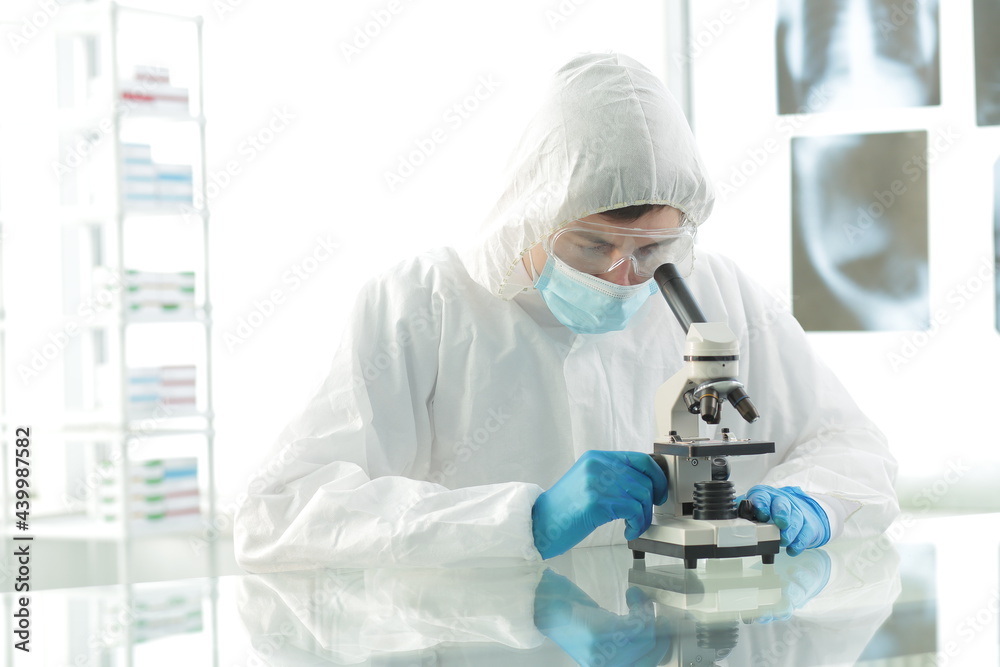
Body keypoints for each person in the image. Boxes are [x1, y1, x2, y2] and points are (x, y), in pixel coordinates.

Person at [234, 52, 899, 571]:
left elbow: (852, 445)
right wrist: (522, 520)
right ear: (534, 215)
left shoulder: (719, 294)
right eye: (591, 243)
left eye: (651, 248)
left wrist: (817, 499)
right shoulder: (422, 303)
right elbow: (281, 514)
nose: (620, 273)